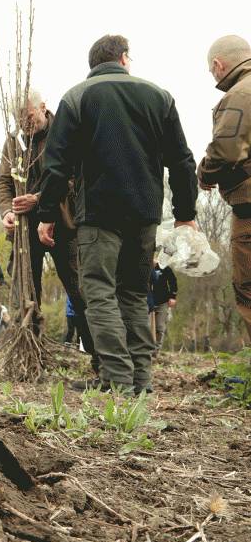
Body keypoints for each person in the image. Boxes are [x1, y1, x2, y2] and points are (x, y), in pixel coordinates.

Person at [37, 34, 198, 395]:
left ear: (93, 64)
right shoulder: (160, 96)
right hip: (144, 213)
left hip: (98, 214)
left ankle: (118, 379)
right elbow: (182, 160)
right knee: (133, 293)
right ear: (124, 59)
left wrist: (47, 214)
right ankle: (140, 378)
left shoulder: (77, 97)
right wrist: (185, 212)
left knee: (99, 292)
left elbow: (56, 164)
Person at [0, 89, 96, 369]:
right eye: (19, 118)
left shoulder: (64, 132)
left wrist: (39, 200)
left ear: (42, 107)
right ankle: (30, 355)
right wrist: (6, 211)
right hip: (24, 231)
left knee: (78, 288)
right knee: (24, 293)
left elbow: (73, 178)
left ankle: (100, 356)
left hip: (62, 225)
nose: (25, 123)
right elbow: (3, 182)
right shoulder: (14, 143)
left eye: (29, 116)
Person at [198, 35, 251, 341]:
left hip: (248, 208)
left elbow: (226, 149)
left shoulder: (241, 94)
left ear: (218, 65)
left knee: (248, 287)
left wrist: (205, 173)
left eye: (211, 70)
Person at [147, 263, 177, 349]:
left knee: (160, 327)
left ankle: (156, 350)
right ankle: (148, 349)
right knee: (147, 327)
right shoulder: (145, 265)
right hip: (147, 302)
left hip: (162, 302)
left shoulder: (165, 268)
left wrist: (172, 297)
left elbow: (173, 281)